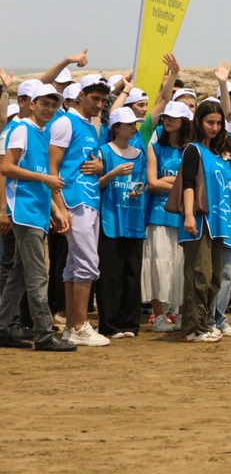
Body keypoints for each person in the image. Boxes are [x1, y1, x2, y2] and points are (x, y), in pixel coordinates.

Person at [0, 84, 75, 351]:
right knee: (36, 275)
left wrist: (55, 209)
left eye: (54, 105)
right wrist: (43, 179)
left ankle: (2, 326)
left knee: (20, 274)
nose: (50, 109)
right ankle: (44, 334)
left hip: (35, 211)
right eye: (44, 103)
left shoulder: (42, 132)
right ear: (31, 104)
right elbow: (5, 167)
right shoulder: (22, 129)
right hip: (25, 210)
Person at [49, 73, 111, 348]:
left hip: (89, 199)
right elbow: (52, 167)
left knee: (75, 264)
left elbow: (90, 160)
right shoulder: (65, 122)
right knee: (87, 262)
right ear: (81, 96)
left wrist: (100, 167)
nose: (99, 104)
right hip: (73, 201)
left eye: (103, 99)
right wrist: (59, 208)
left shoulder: (91, 127)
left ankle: (73, 325)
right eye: (95, 98)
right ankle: (79, 325)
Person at [178, 100, 231, 343]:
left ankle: (205, 324)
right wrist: (188, 215)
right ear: (199, 122)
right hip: (199, 221)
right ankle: (192, 329)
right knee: (199, 275)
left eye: (218, 123)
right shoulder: (194, 149)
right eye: (209, 122)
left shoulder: (220, 155)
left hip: (219, 224)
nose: (214, 127)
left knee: (215, 276)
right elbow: (188, 183)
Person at [95, 107, 147, 338]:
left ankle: (130, 323)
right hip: (111, 219)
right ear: (116, 127)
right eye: (129, 124)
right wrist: (113, 173)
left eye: (135, 124)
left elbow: (143, 180)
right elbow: (95, 186)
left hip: (134, 220)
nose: (134, 127)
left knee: (132, 273)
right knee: (111, 274)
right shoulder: (104, 152)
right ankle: (110, 324)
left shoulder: (140, 154)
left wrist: (140, 188)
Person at [144, 100, 191, 332]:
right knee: (158, 264)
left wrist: (169, 182)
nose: (168, 120)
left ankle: (182, 314)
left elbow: (195, 182)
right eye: (166, 116)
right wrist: (181, 183)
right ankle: (159, 315)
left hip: (185, 215)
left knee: (182, 266)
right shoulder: (155, 147)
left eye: (174, 117)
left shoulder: (191, 149)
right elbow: (152, 183)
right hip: (159, 214)